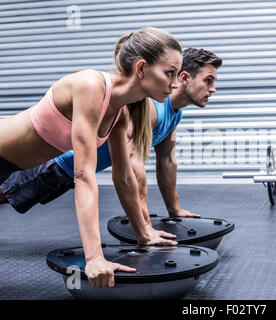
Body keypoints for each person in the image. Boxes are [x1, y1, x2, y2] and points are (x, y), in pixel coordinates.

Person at [0, 27, 183, 288]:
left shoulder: (119, 112)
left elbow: (123, 176)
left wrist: (144, 233)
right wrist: (94, 257)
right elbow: (83, 175)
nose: (175, 84)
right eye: (170, 73)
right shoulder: (90, 86)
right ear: (141, 68)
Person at [0, 48, 222, 227]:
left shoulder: (175, 114)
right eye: (208, 80)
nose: (213, 89)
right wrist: (144, 227)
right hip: (55, 163)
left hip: (70, 171)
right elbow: (133, 166)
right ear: (185, 77)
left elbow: (167, 161)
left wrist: (175, 210)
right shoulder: (153, 108)